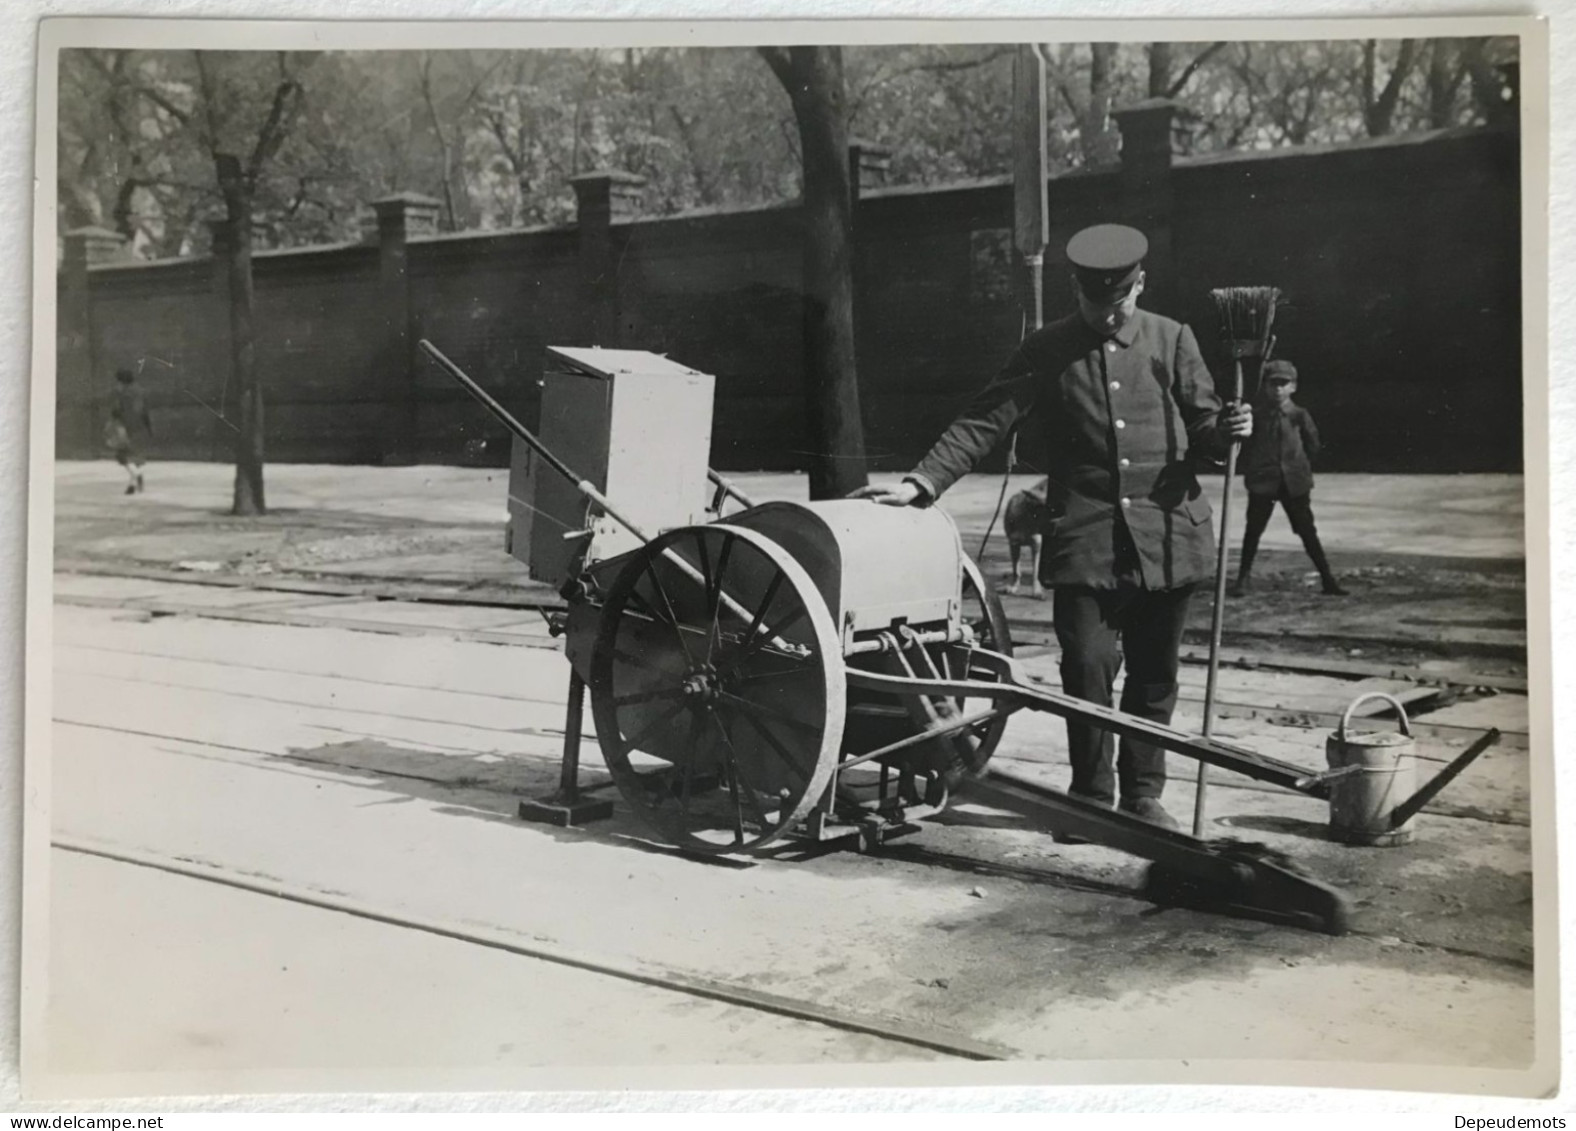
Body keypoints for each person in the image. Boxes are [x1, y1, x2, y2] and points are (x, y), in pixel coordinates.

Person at [853, 223, 1252, 832]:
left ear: (1140, 286)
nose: (1108, 317)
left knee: (1154, 672)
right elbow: (986, 419)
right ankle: (1091, 794)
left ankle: (1143, 794)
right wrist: (921, 483)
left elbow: (1203, 432)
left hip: (1168, 533)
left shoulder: (1174, 340)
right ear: (1075, 289)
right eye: (1096, 304)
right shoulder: (1047, 348)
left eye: (1119, 303)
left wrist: (1226, 432)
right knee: (1086, 665)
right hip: (1086, 537)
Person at [1229, 359, 1347, 597]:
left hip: (1294, 484)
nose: (1278, 389)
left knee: (1307, 531)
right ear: (1265, 386)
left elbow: (1313, 445)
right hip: (1263, 483)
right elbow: (1246, 448)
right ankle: (1243, 579)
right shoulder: (1258, 416)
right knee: (1253, 531)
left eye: (1284, 383)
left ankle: (1327, 579)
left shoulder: (1299, 416)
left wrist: (1300, 469)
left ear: (1293, 387)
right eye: (1273, 384)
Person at [105, 365, 153, 495]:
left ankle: (136, 477)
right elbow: (144, 411)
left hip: (125, 427)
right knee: (137, 457)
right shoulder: (140, 391)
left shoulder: (120, 393)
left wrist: (113, 423)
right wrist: (148, 428)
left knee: (122, 456)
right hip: (140, 427)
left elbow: (116, 411)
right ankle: (133, 484)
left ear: (120, 380)